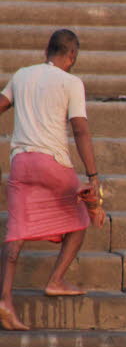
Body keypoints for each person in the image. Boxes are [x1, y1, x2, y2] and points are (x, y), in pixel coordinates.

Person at [0, 29, 101, 331]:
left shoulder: (21, 75)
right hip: (52, 163)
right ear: (72, 55)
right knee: (81, 217)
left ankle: (5, 301)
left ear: (47, 50)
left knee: (15, 235)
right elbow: (80, 130)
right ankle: (56, 280)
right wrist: (93, 176)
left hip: (21, 163)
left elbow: (1, 104)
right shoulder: (71, 82)